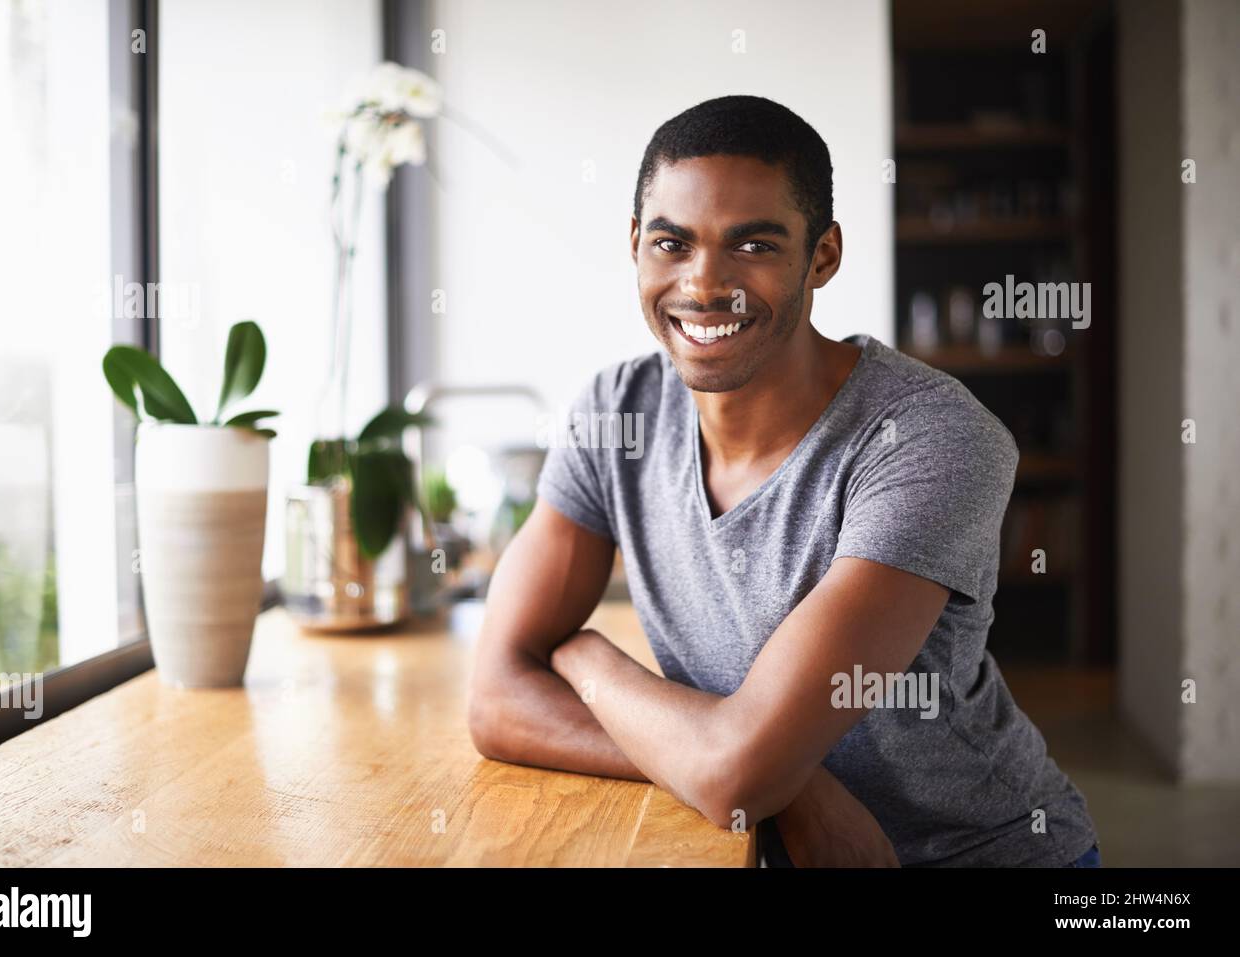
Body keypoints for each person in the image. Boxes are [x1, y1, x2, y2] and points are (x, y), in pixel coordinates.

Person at [468, 94, 1099, 867]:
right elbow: (496, 699)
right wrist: (792, 787)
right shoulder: (615, 413)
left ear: (823, 256)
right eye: (672, 243)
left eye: (754, 246)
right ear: (635, 245)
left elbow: (737, 773)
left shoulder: (931, 438)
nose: (706, 285)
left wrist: (584, 654)